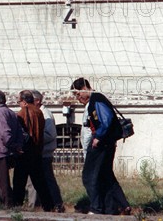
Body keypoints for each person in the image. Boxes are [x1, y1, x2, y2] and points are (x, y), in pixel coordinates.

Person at [72, 77, 131, 215]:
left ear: (85, 88)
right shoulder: (96, 100)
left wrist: (98, 137)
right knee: (105, 175)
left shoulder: (96, 99)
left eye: (78, 94)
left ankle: (96, 208)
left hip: (102, 143)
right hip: (108, 142)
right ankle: (115, 207)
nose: (78, 98)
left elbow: (107, 119)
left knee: (89, 175)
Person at [12, 90, 55, 211]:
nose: (19, 104)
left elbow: (22, 133)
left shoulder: (23, 112)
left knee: (19, 182)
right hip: (37, 151)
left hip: (25, 152)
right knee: (40, 182)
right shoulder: (39, 112)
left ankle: (16, 206)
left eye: (19, 101)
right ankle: (49, 206)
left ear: (24, 102)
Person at [26, 90, 64, 212]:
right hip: (39, 152)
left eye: (31, 100)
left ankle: (57, 204)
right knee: (38, 180)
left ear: (37, 101)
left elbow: (50, 134)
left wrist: (35, 140)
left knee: (47, 179)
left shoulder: (45, 114)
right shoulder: (37, 112)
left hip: (44, 153)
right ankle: (40, 204)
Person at [0, 89, 23, 208]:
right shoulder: (10, 112)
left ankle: (8, 205)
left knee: (2, 181)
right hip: (7, 150)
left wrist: (12, 145)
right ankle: (6, 202)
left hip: (1, 151)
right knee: (1, 180)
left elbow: (4, 134)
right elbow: (20, 132)